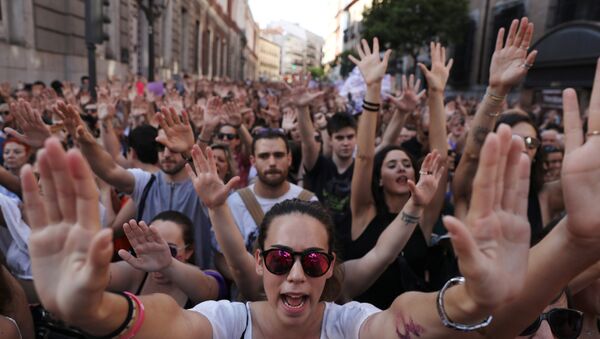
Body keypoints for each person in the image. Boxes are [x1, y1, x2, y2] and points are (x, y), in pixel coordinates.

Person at [21, 126, 544, 338]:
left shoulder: (350, 323)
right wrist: (89, 309)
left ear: (332, 267)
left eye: (313, 262)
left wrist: (473, 302)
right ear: (257, 261)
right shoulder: (225, 321)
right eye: (279, 261)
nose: (295, 275)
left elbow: (403, 316)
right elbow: (165, 323)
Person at [345, 39, 450, 308]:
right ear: (378, 178)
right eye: (391, 165)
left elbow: (441, 157)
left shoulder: (423, 214)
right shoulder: (364, 211)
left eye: (406, 164)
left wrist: (436, 95)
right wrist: (373, 89)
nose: (402, 167)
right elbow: (365, 156)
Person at [54, 102, 214, 269]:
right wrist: (85, 140)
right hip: (148, 280)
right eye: (161, 146)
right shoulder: (147, 182)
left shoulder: (203, 186)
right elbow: (110, 170)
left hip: (198, 284)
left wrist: (193, 147)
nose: (166, 154)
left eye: (174, 147)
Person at [109, 211, 225, 307]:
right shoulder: (137, 273)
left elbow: (209, 290)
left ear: (188, 251)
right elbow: (100, 275)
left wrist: (168, 264)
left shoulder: (204, 278)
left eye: (170, 250)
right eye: (150, 246)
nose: (155, 256)